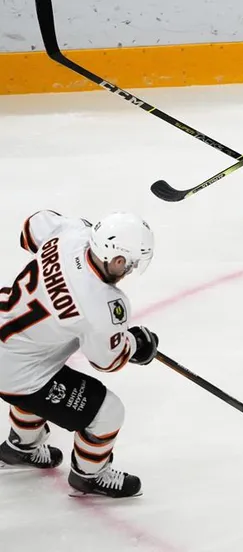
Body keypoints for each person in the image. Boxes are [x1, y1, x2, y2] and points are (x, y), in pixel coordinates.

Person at [0, 210, 159, 495]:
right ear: (117, 259)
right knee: (108, 412)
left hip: (10, 336)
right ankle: (90, 475)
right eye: (130, 264)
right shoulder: (104, 304)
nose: (130, 271)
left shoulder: (70, 233)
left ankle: (21, 447)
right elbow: (107, 360)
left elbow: (30, 229)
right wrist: (136, 344)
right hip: (15, 370)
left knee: (36, 380)